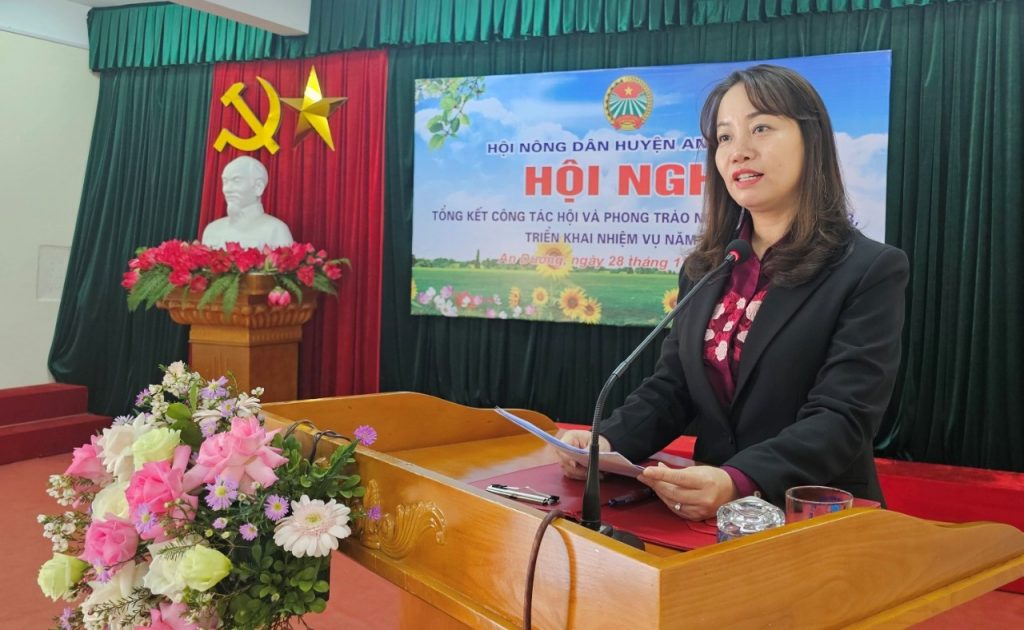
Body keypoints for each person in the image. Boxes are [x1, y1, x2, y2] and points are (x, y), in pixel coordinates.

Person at [555, 65, 908, 521]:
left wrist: (739, 479)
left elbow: (843, 417)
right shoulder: (708, 266)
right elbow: (674, 386)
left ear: (812, 140)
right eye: (724, 137)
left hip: (812, 514)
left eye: (761, 128)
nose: (739, 151)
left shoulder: (868, 270)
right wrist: (606, 442)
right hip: (709, 514)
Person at [201, 156, 294, 249]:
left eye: (236, 181)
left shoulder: (276, 230)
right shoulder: (212, 230)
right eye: (225, 181)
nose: (227, 189)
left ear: (258, 186)